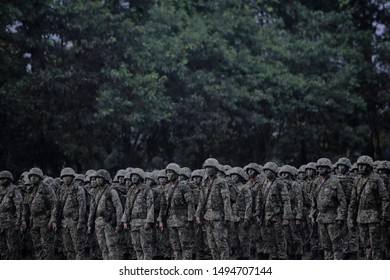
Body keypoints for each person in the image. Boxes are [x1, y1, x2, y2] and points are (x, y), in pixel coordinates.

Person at [348, 155, 390, 260]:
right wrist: (350, 217)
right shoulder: (357, 180)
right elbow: (353, 201)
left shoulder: (376, 179)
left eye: (363, 165)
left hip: (374, 217)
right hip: (361, 217)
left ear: (369, 166)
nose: (360, 168)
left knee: (375, 245)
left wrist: (385, 216)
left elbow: (384, 199)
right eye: (359, 165)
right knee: (366, 244)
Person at [309, 158, 347, 260]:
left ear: (328, 169)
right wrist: (312, 214)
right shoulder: (316, 182)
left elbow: (342, 201)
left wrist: (341, 216)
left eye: (323, 167)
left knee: (336, 244)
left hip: (333, 217)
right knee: (325, 245)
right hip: (321, 217)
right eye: (319, 167)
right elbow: (313, 200)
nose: (320, 169)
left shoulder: (335, 181)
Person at [195, 158, 233, 260]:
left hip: (218, 217)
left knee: (221, 243)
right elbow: (201, 200)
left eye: (210, 167)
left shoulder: (221, 182)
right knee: (211, 244)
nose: (207, 169)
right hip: (208, 217)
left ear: (215, 169)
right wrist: (198, 214)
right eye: (206, 167)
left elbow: (226, 200)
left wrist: (227, 217)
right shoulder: (205, 182)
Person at [255, 162, 292, 260]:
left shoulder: (280, 183)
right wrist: (258, 214)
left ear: (274, 172)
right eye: (265, 170)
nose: (267, 172)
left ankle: (282, 257)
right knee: (269, 239)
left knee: (280, 238)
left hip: (277, 216)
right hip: (266, 217)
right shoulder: (263, 184)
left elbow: (286, 200)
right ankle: (274, 257)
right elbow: (259, 199)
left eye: (269, 170)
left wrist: (286, 217)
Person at [159, 163, 195, 260]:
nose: (168, 175)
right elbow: (163, 205)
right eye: (167, 172)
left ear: (176, 173)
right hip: (171, 222)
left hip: (183, 221)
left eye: (171, 172)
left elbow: (190, 204)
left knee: (186, 246)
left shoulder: (183, 187)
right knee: (175, 247)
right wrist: (161, 220)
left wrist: (190, 219)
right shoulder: (166, 188)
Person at [22, 167, 57, 259]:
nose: (32, 178)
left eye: (35, 176)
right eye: (31, 176)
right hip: (33, 221)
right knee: (36, 245)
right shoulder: (29, 190)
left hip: (45, 220)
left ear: (40, 177)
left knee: (47, 245)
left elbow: (54, 204)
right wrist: (23, 220)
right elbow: (25, 206)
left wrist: (52, 219)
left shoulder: (46, 188)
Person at [88, 169, 123, 260]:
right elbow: (92, 209)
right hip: (98, 222)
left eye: (100, 178)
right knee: (103, 247)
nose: (97, 180)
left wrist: (119, 224)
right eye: (96, 178)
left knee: (111, 246)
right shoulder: (95, 192)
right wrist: (89, 224)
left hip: (108, 222)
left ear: (105, 179)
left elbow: (118, 207)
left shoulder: (111, 191)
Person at [56, 167, 87, 260]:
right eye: (64, 176)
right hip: (64, 222)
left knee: (78, 247)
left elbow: (82, 206)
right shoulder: (61, 190)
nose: (65, 178)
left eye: (68, 176)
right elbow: (56, 205)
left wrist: (81, 221)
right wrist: (54, 219)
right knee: (68, 248)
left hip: (75, 221)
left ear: (72, 177)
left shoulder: (78, 189)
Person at [0, 170, 23, 259]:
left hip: (10, 223)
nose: (2, 181)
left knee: (12, 247)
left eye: (4, 179)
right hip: (1, 223)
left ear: (9, 179)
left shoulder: (14, 189)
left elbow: (19, 206)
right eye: (1, 179)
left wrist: (18, 222)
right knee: (2, 247)